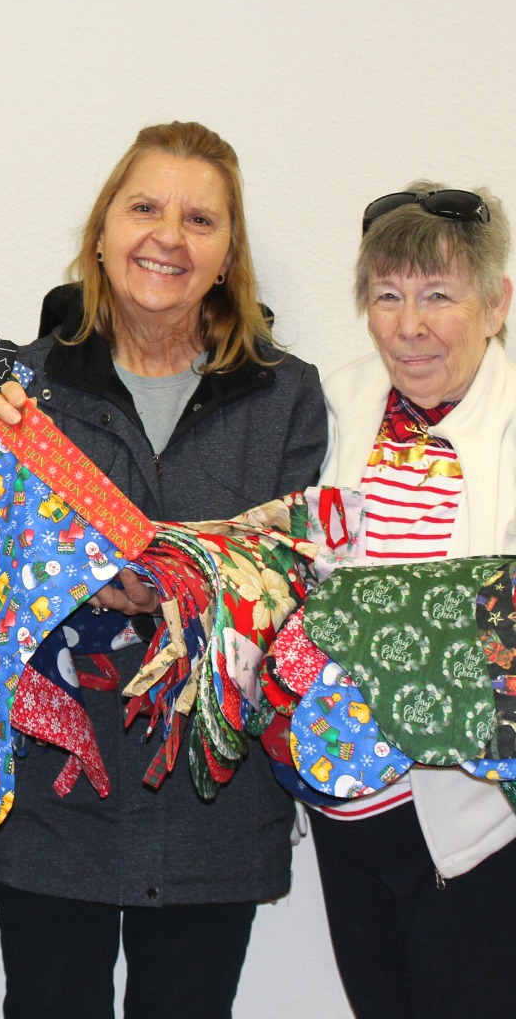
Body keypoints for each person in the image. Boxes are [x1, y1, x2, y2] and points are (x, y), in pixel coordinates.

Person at [0, 121, 327, 1019]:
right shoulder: (19, 389)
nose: (169, 235)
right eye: (144, 207)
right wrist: (70, 581)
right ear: (101, 232)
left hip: (216, 798)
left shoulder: (285, 397)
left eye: (200, 219)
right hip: (54, 792)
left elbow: (300, 578)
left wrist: (190, 583)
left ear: (227, 256)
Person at [307, 183, 516, 1018]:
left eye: (439, 295)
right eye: (387, 296)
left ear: (496, 304)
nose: (409, 323)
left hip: (482, 824)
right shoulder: (337, 405)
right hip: (352, 810)